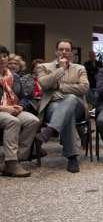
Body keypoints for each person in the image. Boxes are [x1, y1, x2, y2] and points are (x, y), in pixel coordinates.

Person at [36, 39, 89, 173]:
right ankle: (72, 158)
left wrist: (59, 87)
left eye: (67, 50)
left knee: (70, 99)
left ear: (71, 53)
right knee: (67, 115)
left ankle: (51, 129)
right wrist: (61, 69)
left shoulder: (80, 68)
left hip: (77, 106)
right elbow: (44, 83)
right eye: (61, 49)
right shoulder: (44, 67)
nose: (64, 52)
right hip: (52, 106)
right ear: (56, 51)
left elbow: (84, 88)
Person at [0, 45, 40, 177]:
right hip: (3, 110)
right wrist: (5, 108)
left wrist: (21, 107)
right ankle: (11, 163)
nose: (2, 59)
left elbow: (24, 97)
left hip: (13, 108)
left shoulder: (15, 76)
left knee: (33, 121)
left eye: (4, 56)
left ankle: (13, 159)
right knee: (13, 122)